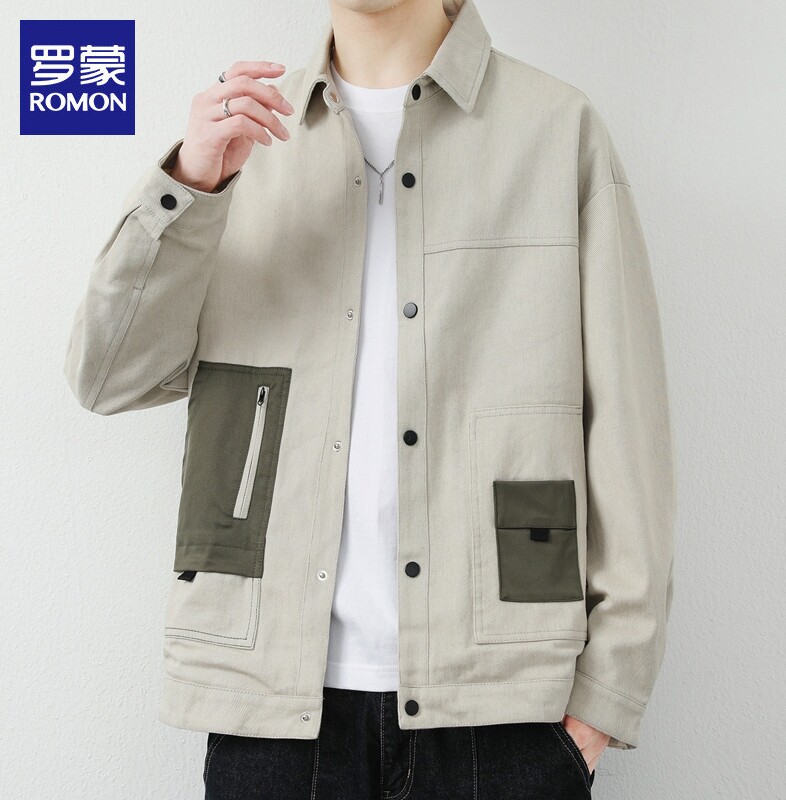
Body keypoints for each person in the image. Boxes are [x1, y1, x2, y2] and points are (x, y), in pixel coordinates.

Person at [62, 0, 676, 797]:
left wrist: (602, 702)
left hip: (505, 706)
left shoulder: (556, 131)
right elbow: (109, 376)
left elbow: (628, 431)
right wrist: (188, 185)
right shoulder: (245, 142)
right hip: (274, 709)